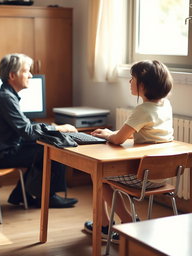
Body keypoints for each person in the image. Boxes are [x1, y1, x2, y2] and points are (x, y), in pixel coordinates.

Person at [83, 60, 174, 243]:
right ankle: (116, 222)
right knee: (103, 173)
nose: (129, 82)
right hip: (163, 176)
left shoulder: (143, 109)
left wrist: (108, 134)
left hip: (143, 178)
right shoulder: (165, 105)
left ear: (144, 85)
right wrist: (114, 134)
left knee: (98, 173)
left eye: (132, 78)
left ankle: (115, 223)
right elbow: (147, 134)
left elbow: (118, 139)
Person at [0, 53, 78, 208]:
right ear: (12, 76)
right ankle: (48, 196)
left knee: (45, 145)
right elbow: (26, 131)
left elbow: (24, 127)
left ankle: (21, 194)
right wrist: (58, 128)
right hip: (0, 156)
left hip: (5, 149)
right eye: (26, 71)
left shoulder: (7, 95)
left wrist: (49, 129)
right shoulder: (6, 98)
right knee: (53, 148)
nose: (31, 75)